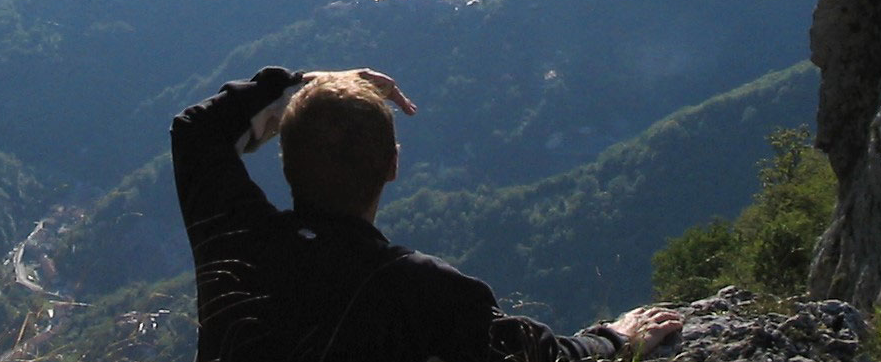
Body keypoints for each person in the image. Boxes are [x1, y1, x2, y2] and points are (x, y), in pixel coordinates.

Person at [172, 65, 686, 362]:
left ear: (283, 160)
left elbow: (196, 128)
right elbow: (536, 357)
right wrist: (616, 338)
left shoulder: (234, 240)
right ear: (392, 165)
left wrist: (315, 81)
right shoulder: (426, 291)